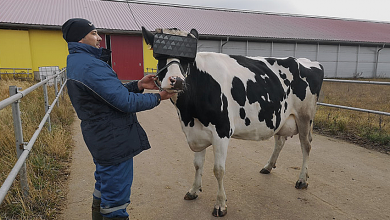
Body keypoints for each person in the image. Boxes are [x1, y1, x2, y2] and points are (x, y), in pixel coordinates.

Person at [62, 18, 175, 220]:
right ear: (80, 38)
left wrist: (138, 85)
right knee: (115, 202)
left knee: (103, 186)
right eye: (94, 33)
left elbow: (108, 95)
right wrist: (159, 97)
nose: (99, 38)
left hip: (101, 137)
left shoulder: (80, 62)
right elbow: (125, 102)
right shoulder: (90, 66)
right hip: (112, 139)